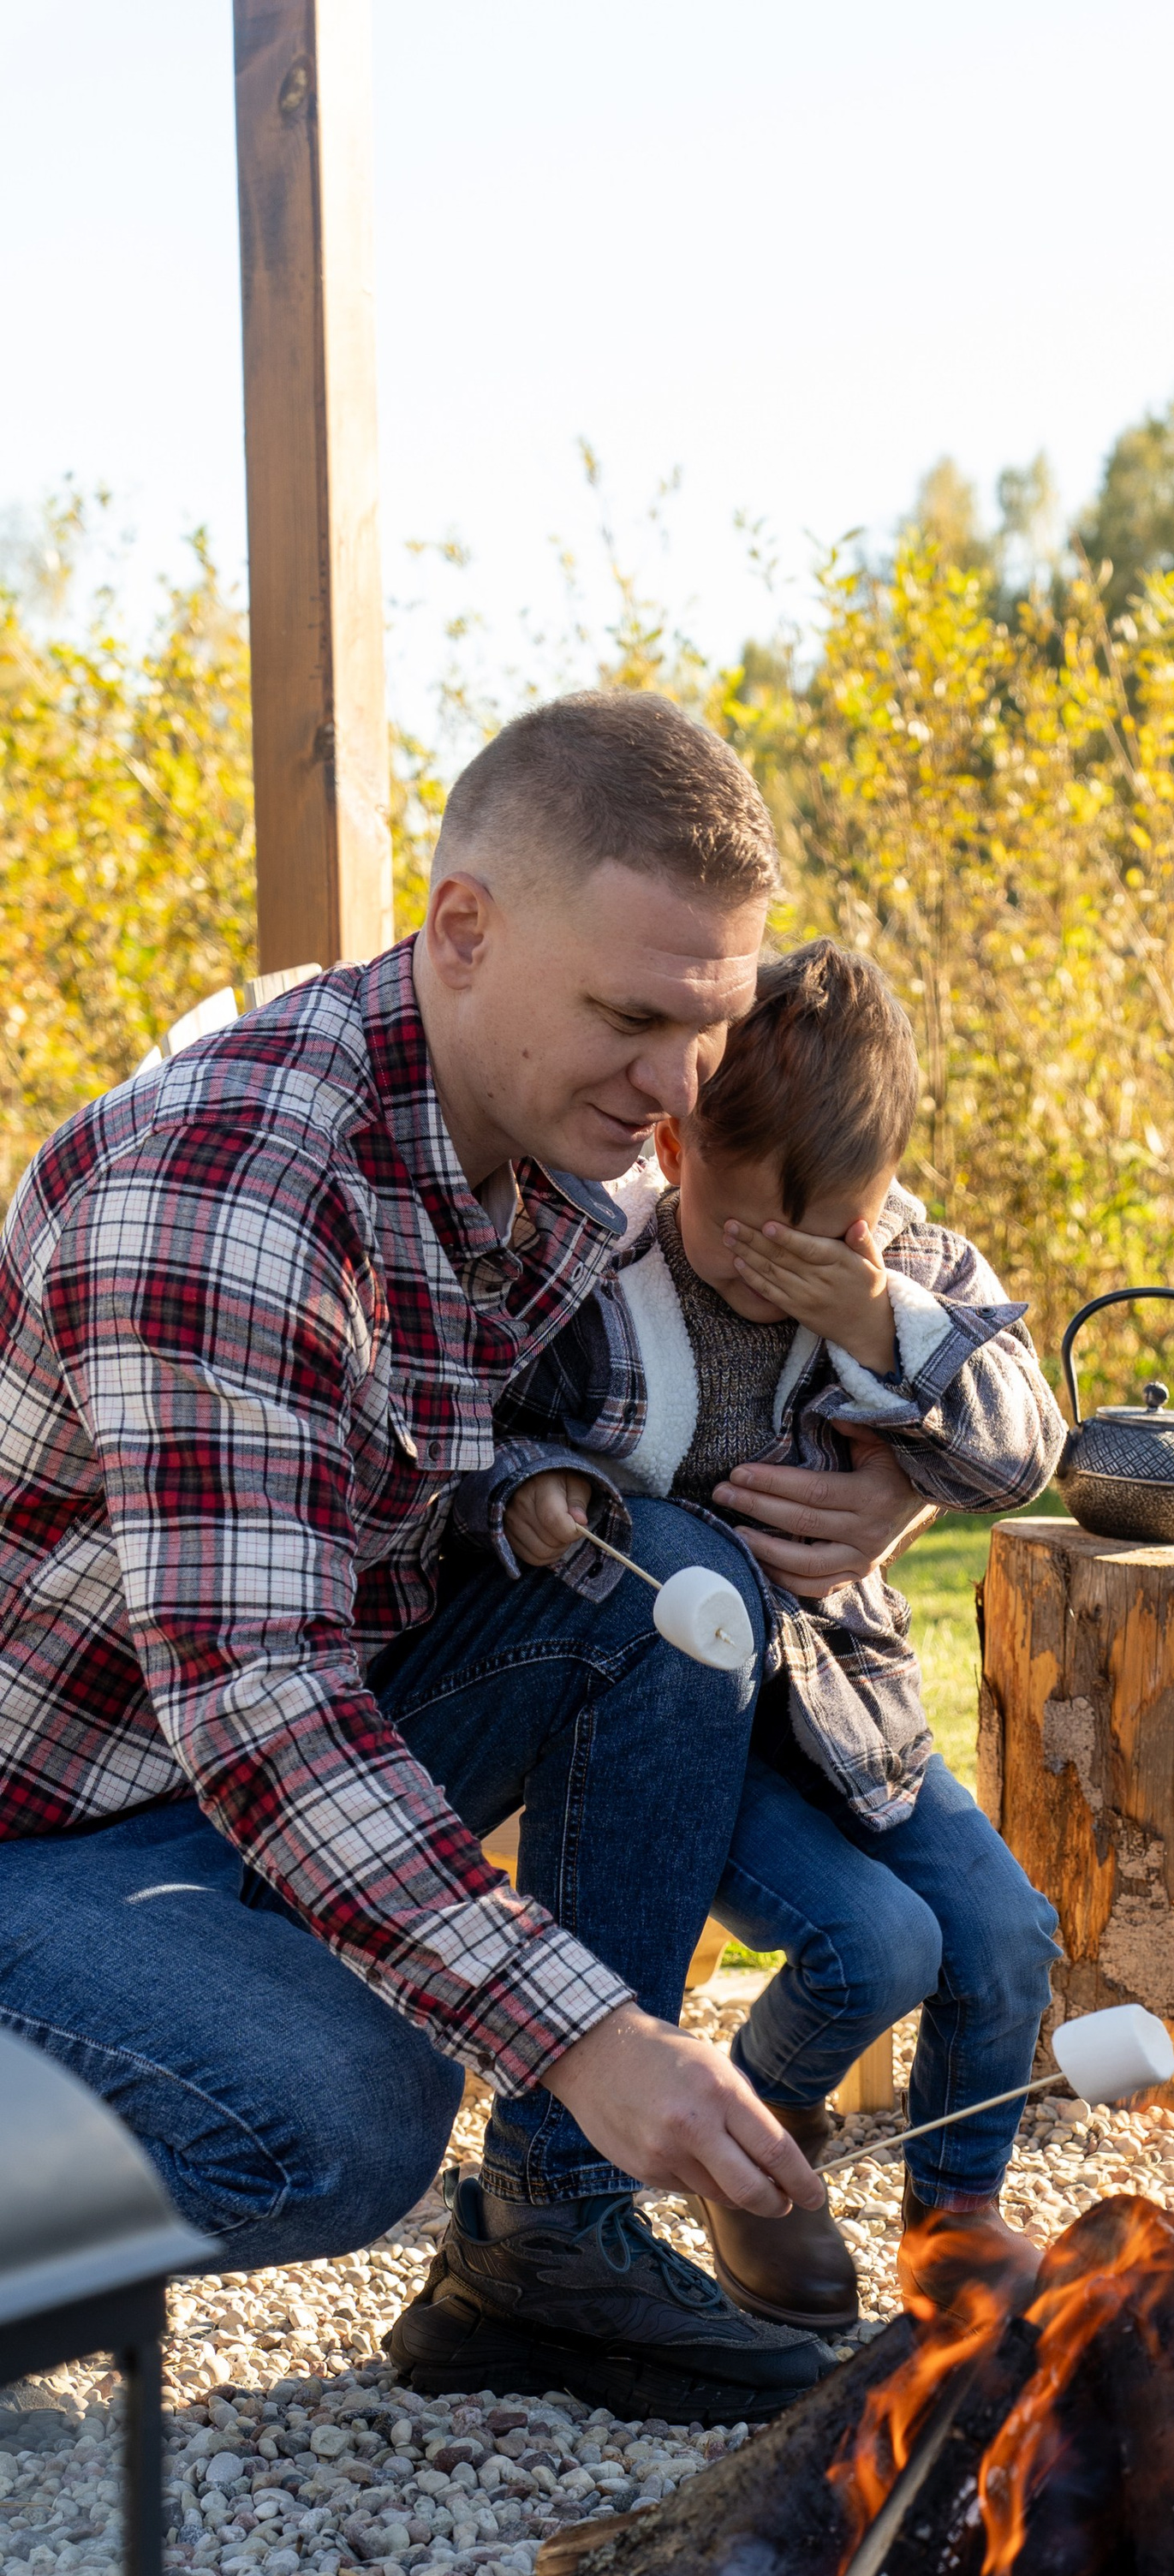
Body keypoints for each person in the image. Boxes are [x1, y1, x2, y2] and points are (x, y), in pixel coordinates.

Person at [0, 691, 933, 2421]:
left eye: (707, 1026)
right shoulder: (234, 1190)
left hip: (201, 1782)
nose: (677, 1089)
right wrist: (586, 2035)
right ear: (464, 930)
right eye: (633, 1018)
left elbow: (912, 1281)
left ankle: (548, 2255)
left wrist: (903, 1477)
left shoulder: (550, 1145)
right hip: (47, 1820)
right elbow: (264, 1710)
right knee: (339, 2110)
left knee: (673, 1596)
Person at [448, 936, 1064, 2335]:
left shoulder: (903, 1275)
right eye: (746, 1227)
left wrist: (892, 1322)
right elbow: (484, 1431)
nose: (785, 1263)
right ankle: (761, 2155)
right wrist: (532, 1498)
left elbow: (1023, 1447)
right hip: (686, 1738)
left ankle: (957, 2216)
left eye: (837, 1228)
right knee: (877, 1948)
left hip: (851, 1713)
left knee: (1005, 1934)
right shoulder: (602, 1281)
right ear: (672, 1146)